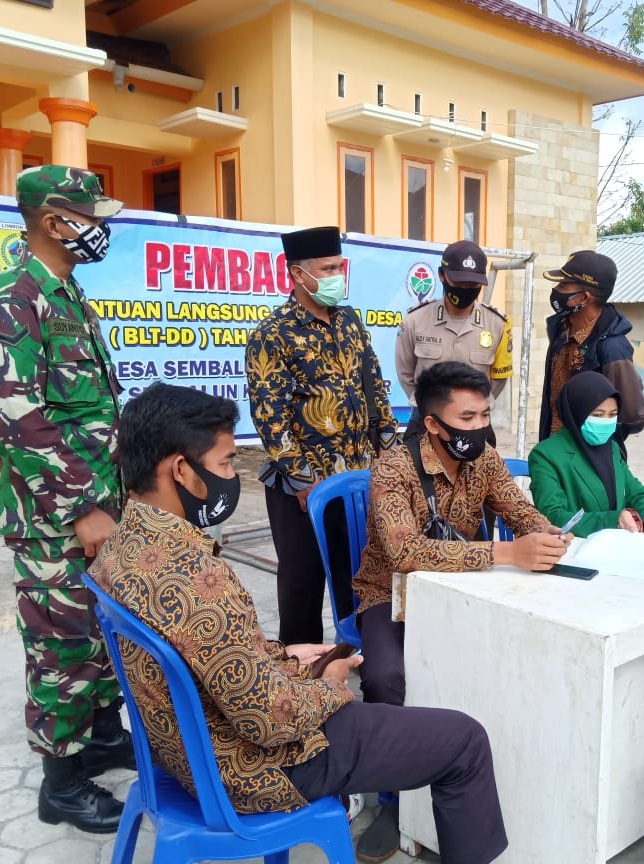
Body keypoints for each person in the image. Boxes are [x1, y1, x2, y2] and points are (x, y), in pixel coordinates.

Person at [91, 383, 507, 864]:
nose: (231, 477)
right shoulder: (195, 575)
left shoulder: (122, 546)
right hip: (257, 767)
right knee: (465, 742)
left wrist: (282, 657)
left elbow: (203, 653)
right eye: (225, 464)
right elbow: (267, 719)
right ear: (181, 469)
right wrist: (330, 686)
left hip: (188, 754)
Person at [351, 361, 569, 860]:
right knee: (386, 678)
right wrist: (506, 552)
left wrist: (547, 532)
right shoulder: (393, 467)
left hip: (463, 590)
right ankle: (392, 799)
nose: (478, 427)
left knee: (505, 657)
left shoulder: (484, 458)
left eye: (484, 415)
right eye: (466, 418)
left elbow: (519, 510)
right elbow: (404, 551)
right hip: (392, 595)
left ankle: (493, 764)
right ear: (432, 423)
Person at [0, 165, 134, 833]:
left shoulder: (68, 293)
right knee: (60, 647)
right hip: (53, 518)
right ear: (53, 221)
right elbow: (17, 420)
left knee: (99, 634)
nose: (99, 228)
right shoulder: (14, 299)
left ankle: (102, 737)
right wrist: (83, 509)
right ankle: (61, 784)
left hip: (100, 503)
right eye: (90, 216)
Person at [245, 226, 398, 645]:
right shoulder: (272, 334)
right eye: (328, 269)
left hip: (357, 479)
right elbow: (270, 417)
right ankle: (302, 669)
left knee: (360, 576)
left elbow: (375, 390)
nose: (337, 276)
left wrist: (389, 455)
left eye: (339, 267)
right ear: (298, 274)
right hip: (303, 489)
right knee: (302, 585)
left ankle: (362, 657)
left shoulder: (350, 322)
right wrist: (302, 482)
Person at [528, 371, 644, 539]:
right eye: (598, 415)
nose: (606, 421)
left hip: (617, 544)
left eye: (612, 414)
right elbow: (554, 516)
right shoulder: (546, 455)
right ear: (576, 412)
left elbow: (635, 491)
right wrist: (612, 520)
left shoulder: (610, 447)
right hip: (574, 546)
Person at [395, 240, 513, 441]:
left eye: (472, 285)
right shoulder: (415, 320)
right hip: (426, 421)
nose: (465, 289)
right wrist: (430, 405)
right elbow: (405, 372)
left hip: (474, 423)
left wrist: (473, 408)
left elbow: (499, 379)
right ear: (442, 275)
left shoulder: (498, 324)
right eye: (459, 283)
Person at [540, 250, 644, 442]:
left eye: (563, 285)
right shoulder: (561, 332)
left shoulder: (613, 347)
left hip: (586, 453)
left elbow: (632, 417)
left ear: (584, 298)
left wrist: (597, 442)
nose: (556, 290)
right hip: (554, 447)